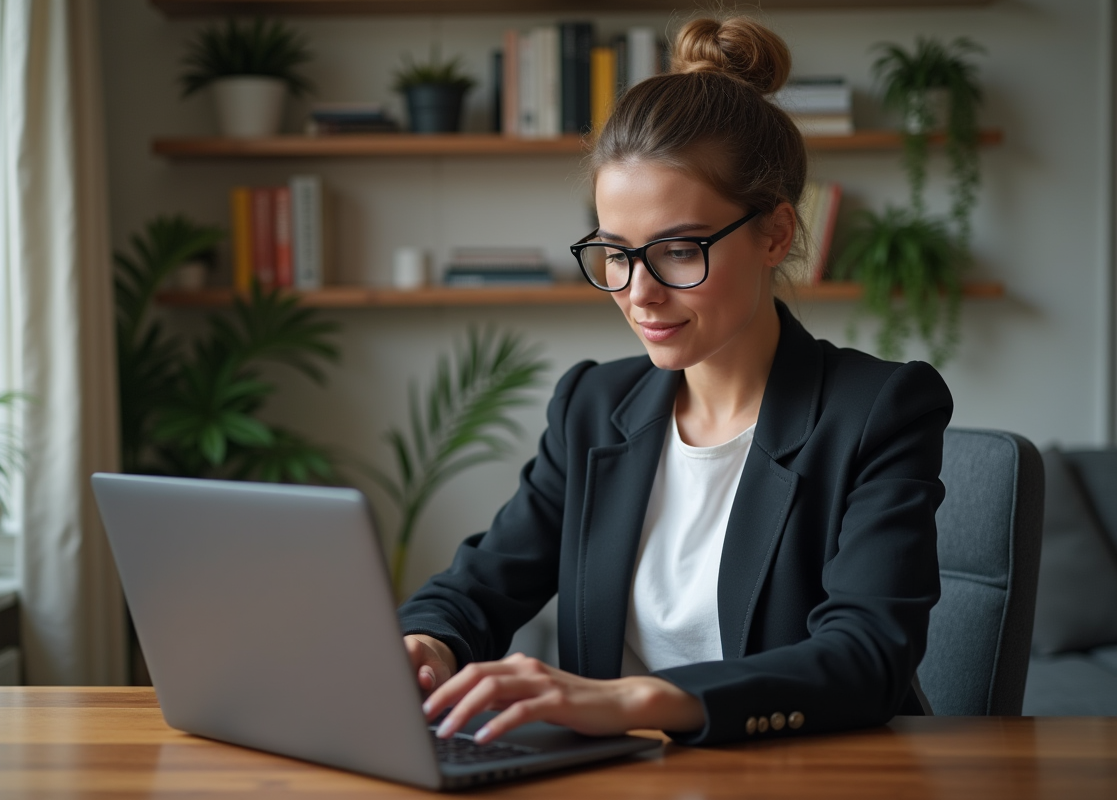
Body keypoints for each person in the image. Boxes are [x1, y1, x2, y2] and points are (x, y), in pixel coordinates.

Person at [399, 15, 953, 748]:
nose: (639, 293)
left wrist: (631, 701)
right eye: (615, 254)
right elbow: (477, 588)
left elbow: (865, 658)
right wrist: (426, 646)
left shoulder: (877, 410)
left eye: (678, 250)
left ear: (776, 234)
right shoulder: (594, 405)